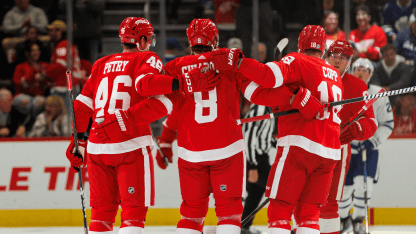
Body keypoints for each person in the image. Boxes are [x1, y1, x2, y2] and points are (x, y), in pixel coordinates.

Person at [98, 19, 315, 234]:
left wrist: (150, 132)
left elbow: (163, 106)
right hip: (227, 152)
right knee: (229, 214)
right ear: (216, 40)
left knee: (191, 215)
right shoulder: (228, 63)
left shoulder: (174, 67)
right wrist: (294, 95)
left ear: (190, 42)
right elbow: (259, 94)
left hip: (190, 155)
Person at [64, 17, 218, 234]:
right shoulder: (147, 57)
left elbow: (80, 107)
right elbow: (148, 88)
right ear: (143, 40)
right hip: (131, 144)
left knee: (101, 214)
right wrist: (183, 83)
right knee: (133, 215)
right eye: (150, 39)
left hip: (98, 146)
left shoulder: (100, 64)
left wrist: (78, 142)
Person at [212, 25, 342, 234]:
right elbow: (287, 98)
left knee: (279, 212)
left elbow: (268, 77)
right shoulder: (335, 74)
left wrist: (239, 64)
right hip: (329, 154)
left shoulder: (298, 60)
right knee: (308, 215)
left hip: (300, 147)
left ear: (301, 44)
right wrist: (288, 95)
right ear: (324, 48)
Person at [318, 40, 377, 234]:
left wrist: (358, 129)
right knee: (302, 198)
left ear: (349, 62)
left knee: (330, 201)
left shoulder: (358, 85)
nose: (337, 60)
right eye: (333, 55)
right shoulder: (313, 76)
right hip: (310, 144)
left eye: (342, 57)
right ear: (326, 56)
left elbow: (372, 123)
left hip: (338, 149)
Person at [338, 58, 394, 234]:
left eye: (365, 70)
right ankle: (343, 220)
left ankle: (358, 221)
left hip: (369, 151)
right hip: (347, 149)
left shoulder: (378, 94)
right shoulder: (343, 90)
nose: (361, 73)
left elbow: (387, 124)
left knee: (365, 187)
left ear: (370, 74)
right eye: (357, 69)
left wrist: (372, 142)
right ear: (351, 71)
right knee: (344, 190)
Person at [240, 104, 275, 234]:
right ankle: (279, 226)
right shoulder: (259, 110)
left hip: (260, 158)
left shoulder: (266, 108)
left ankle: (244, 226)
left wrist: (274, 143)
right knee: (278, 189)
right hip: (255, 160)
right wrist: (252, 166)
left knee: (255, 195)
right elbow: (248, 138)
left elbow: (262, 133)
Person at [43, 20, 82, 113]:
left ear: (59, 32)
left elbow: (61, 65)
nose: (49, 33)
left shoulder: (63, 46)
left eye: (51, 31)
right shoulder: (64, 45)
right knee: (65, 119)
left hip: (65, 87)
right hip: (67, 86)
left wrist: (45, 73)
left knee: (67, 118)